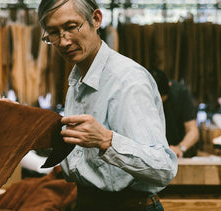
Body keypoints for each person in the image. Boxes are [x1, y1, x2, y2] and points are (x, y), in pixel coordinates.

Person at [37, 0, 178, 210]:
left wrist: (106, 140)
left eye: (71, 27)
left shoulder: (127, 81)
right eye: (54, 33)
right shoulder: (77, 81)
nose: (64, 42)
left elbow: (163, 168)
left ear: (96, 19)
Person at [150, 68, 199, 158]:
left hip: (177, 153)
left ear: (169, 85)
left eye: (160, 100)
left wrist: (180, 148)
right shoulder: (139, 96)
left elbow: (193, 131)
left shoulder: (180, 92)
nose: (157, 105)